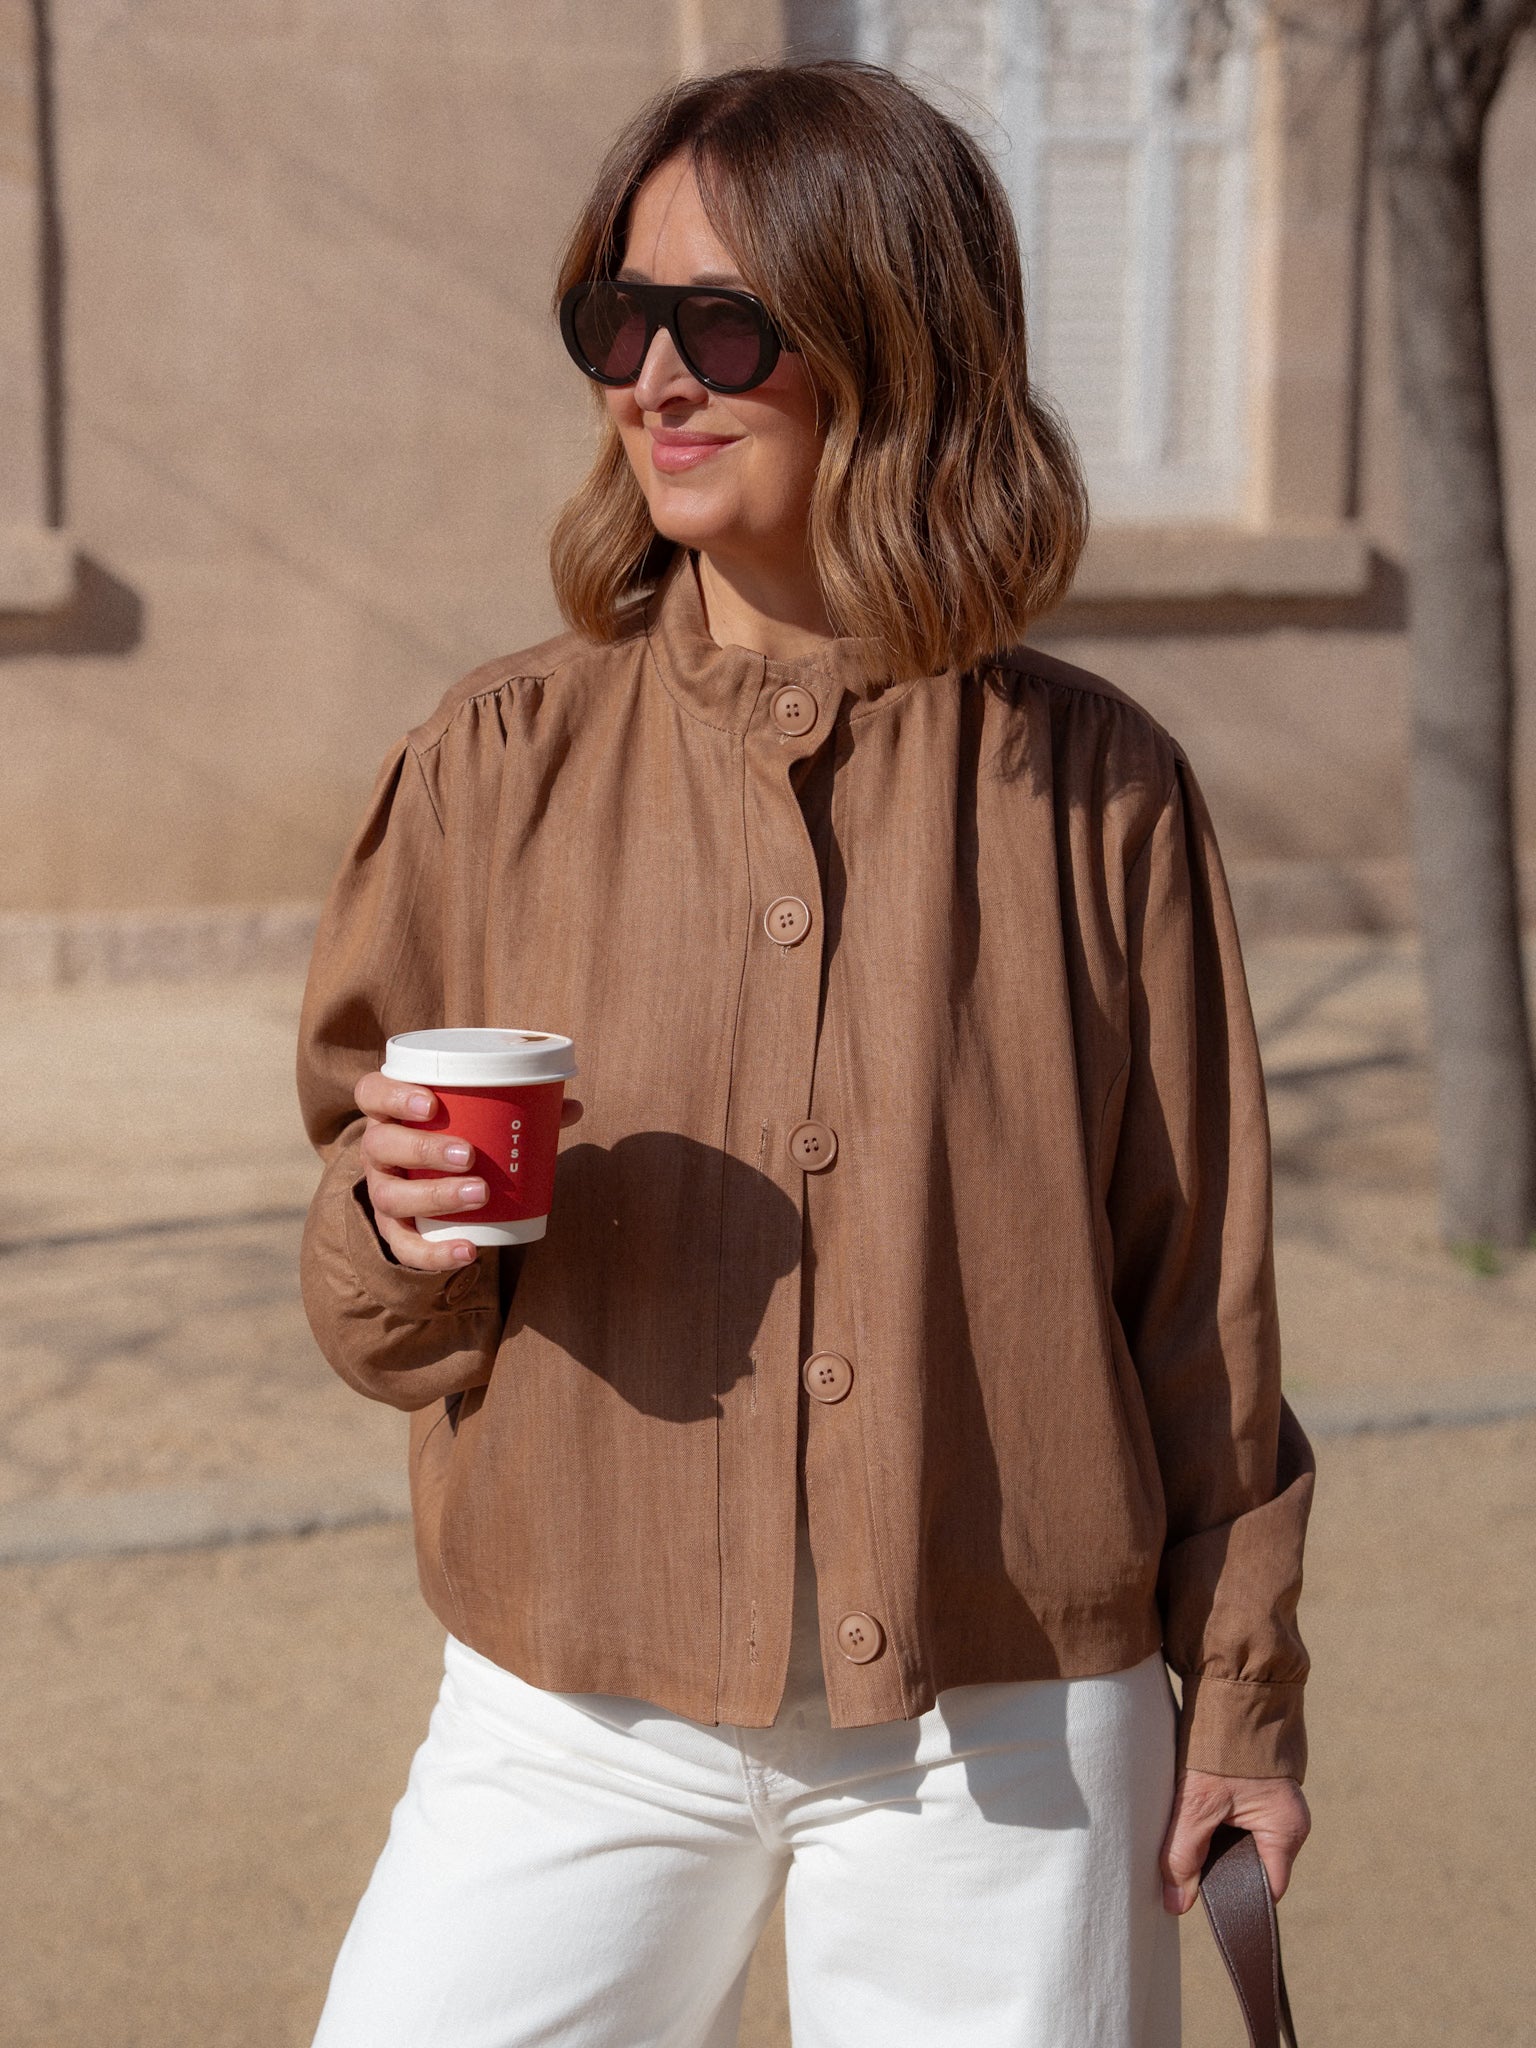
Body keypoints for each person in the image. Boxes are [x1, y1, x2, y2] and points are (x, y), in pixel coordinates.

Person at [296, 59, 1313, 2048]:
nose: (657, 379)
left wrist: (1244, 1697)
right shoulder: (491, 768)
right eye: (619, 318)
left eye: (725, 324)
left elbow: (1200, 1301)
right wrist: (395, 1224)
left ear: (894, 340)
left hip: (1008, 1731)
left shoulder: (1096, 794)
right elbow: (366, 1282)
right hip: (567, 1711)